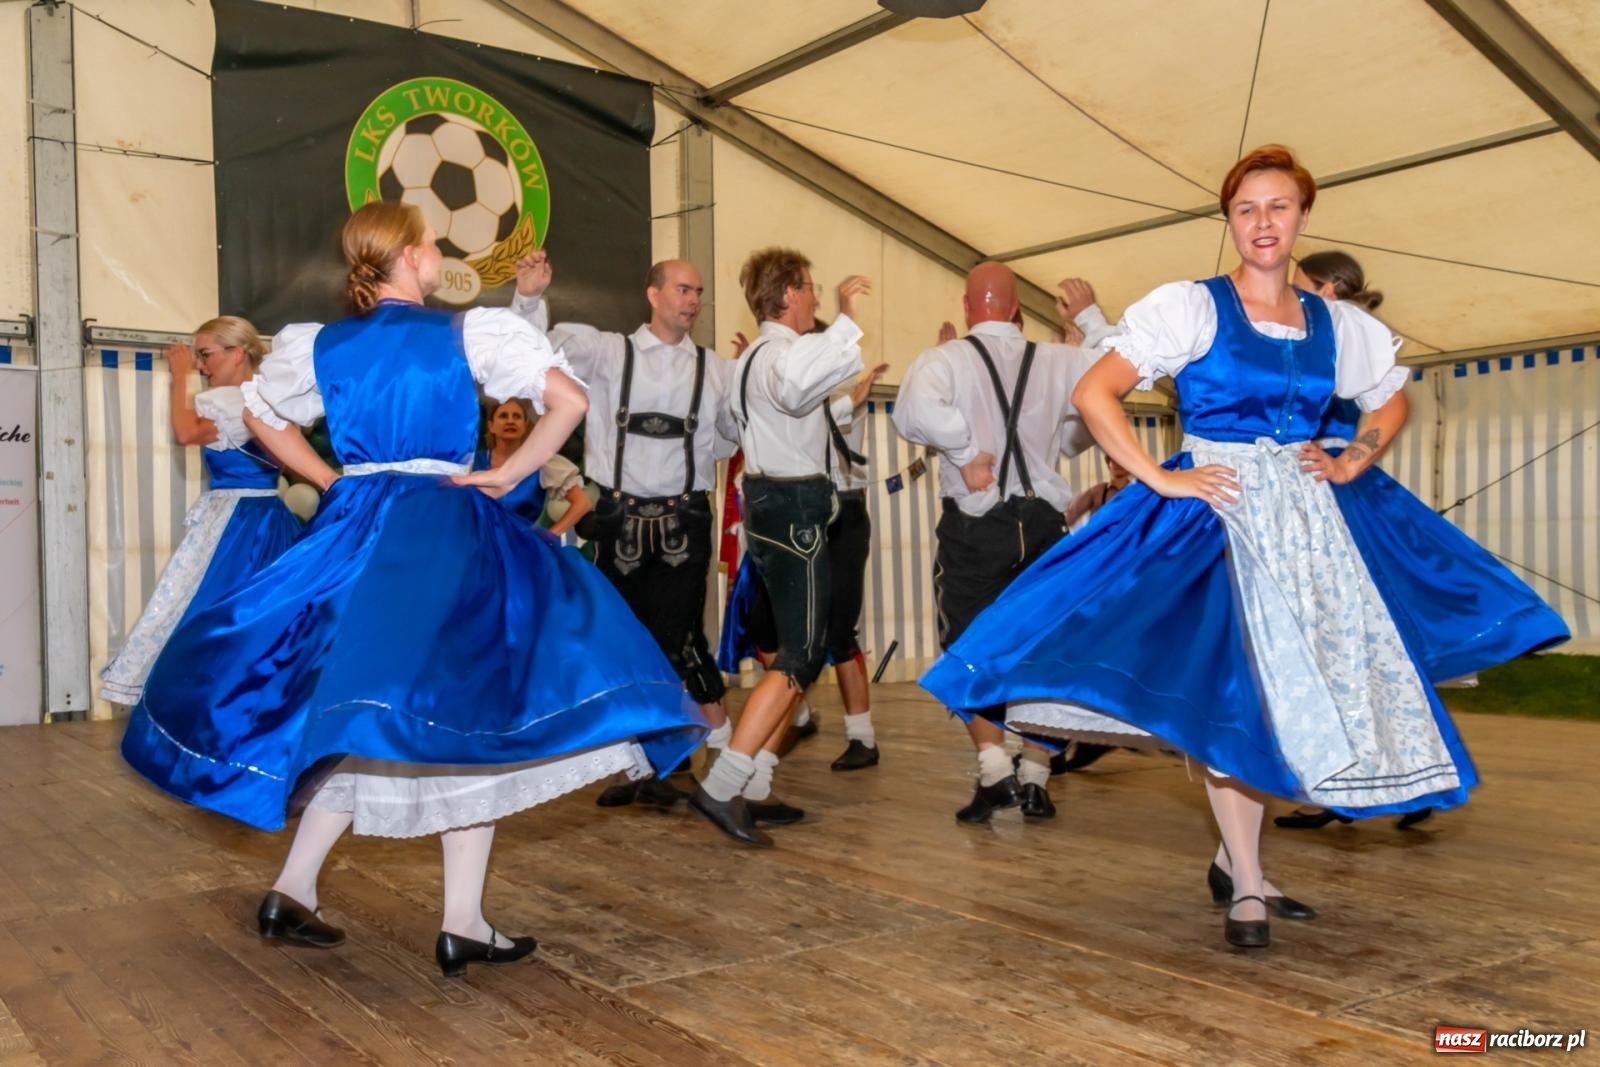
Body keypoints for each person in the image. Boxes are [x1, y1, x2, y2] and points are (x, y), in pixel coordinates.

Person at [921, 145, 1568, 949]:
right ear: (1229, 220)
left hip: (1311, 528)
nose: (1264, 223)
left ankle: (1238, 860)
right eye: (1247, 209)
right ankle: (1250, 883)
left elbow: (1393, 397)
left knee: (1303, 695)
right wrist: (1160, 476)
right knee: (1241, 693)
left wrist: (1354, 456)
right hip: (1219, 517)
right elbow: (1096, 392)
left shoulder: (1339, 323)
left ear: (1303, 215)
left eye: (1279, 207)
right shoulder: (1193, 307)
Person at [119, 202, 706, 977]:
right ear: (411, 257)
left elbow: (258, 413)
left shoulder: (318, 344)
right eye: (431, 244)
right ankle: (458, 919)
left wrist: (331, 478)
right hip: (437, 527)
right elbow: (572, 401)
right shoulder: (467, 333)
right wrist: (506, 472)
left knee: (361, 706)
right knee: (460, 708)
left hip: (355, 526)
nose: (437, 253)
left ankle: (294, 889)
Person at [1273, 250, 1567, 834]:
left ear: (1328, 288)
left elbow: (1390, 406)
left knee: (1364, 645)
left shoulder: (1348, 332)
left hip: (1338, 493)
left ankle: (1409, 778)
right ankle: (1359, 783)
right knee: (1345, 649)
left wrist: (1347, 460)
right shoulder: (1306, 331)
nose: (1291, 290)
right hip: (1317, 492)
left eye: (1301, 282)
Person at [511, 253, 738, 808]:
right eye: (683, 289)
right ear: (653, 293)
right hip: (620, 524)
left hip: (686, 520)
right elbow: (533, 355)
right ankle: (654, 765)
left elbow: (729, 439)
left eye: (699, 292)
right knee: (626, 642)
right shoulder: (609, 351)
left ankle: (722, 757)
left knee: (676, 640)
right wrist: (530, 298)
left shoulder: (717, 370)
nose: (693, 301)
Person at [893, 262, 1099, 824]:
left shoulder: (945, 360)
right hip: (1043, 524)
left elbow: (910, 414)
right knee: (1043, 651)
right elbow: (1118, 375)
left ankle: (994, 771)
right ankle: (1035, 777)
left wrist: (964, 450)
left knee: (968, 647)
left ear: (967, 307)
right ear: (1015, 310)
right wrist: (1090, 318)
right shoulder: (1058, 359)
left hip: (977, 526)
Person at [691, 248, 871, 846]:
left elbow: (725, 434)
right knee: (800, 655)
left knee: (797, 651)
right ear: (789, 293)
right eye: (812, 290)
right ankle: (724, 786)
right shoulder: (780, 355)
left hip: (767, 505)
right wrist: (846, 320)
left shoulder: (746, 363)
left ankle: (757, 783)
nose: (816, 300)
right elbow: (796, 392)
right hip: (793, 510)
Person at [100, 317, 303, 706]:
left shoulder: (230, 402)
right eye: (196, 358)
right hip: (267, 516)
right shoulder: (269, 398)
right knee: (253, 609)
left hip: (238, 519)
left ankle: (206, 698)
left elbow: (186, 433)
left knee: (201, 604)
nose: (199, 365)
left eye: (205, 355)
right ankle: (246, 697)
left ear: (238, 352)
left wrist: (179, 379)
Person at [474, 396, 592, 536]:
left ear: (525, 426)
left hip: (522, 549)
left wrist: (549, 536)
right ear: (491, 426)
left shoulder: (541, 461)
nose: (510, 421)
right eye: (503, 416)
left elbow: (582, 503)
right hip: (477, 546)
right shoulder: (472, 462)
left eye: (517, 416)